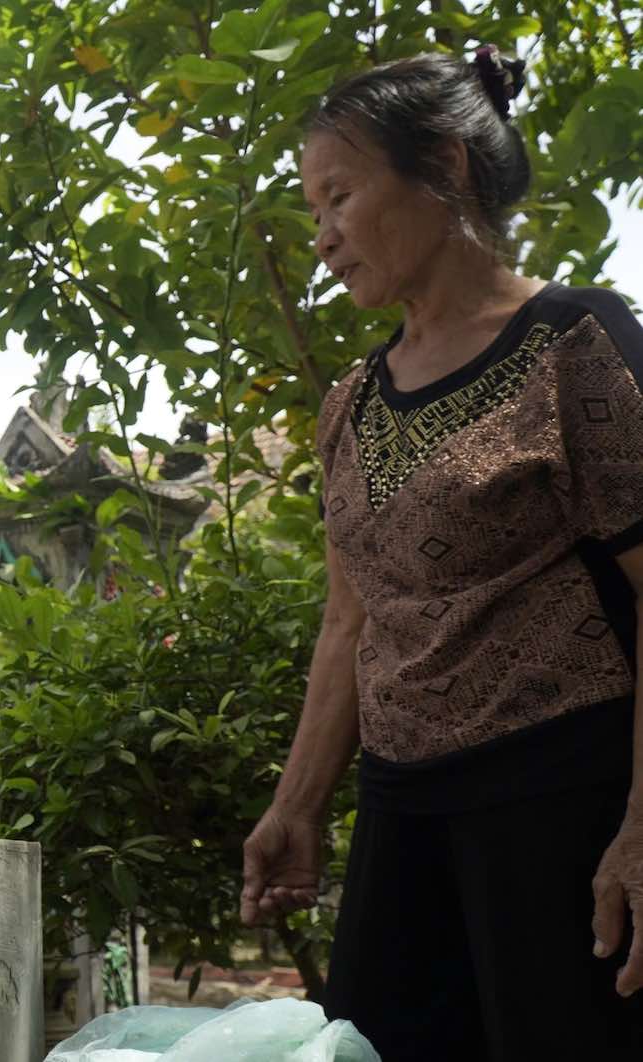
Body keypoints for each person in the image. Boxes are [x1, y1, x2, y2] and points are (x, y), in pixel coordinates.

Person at [240, 47, 643, 1058]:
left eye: (338, 196)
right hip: (401, 815)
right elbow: (350, 617)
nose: (322, 239)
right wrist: (295, 806)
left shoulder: (576, 345)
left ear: (449, 168)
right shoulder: (351, 403)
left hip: (562, 804)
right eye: (309, 211)